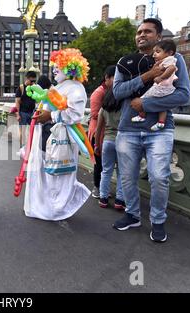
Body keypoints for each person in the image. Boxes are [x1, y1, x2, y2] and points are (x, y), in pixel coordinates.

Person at [112, 18, 190, 243]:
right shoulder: (125, 62)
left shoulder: (175, 59)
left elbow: (183, 94)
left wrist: (145, 105)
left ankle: (157, 221)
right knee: (127, 178)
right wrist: (146, 76)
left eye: (147, 31)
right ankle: (132, 215)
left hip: (160, 130)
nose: (141, 35)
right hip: (127, 129)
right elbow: (117, 92)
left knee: (159, 177)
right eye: (139, 32)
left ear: (158, 36)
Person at [26, 48, 91, 221]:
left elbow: (75, 115)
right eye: (54, 65)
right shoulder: (59, 86)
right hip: (48, 135)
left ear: (70, 68)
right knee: (47, 172)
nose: (54, 69)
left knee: (58, 175)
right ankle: (47, 205)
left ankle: (57, 208)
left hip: (62, 138)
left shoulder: (76, 88)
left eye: (58, 66)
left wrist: (50, 115)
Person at [133, 40, 179, 132]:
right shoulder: (169, 60)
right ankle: (161, 123)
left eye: (157, 52)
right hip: (166, 88)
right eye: (154, 52)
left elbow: (172, 68)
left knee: (142, 99)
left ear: (169, 53)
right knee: (162, 106)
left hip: (161, 86)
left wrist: (160, 78)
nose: (154, 55)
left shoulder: (169, 60)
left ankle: (142, 116)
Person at [95, 85, 125, 210]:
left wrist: (97, 144)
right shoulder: (124, 108)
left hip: (107, 141)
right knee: (121, 172)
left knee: (106, 171)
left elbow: (98, 130)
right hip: (122, 141)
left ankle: (103, 198)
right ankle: (119, 200)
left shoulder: (103, 109)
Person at [88, 66, 116, 199]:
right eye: (115, 77)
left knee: (106, 164)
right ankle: (97, 188)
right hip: (98, 132)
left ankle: (103, 190)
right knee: (99, 163)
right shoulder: (99, 92)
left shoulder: (112, 91)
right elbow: (94, 114)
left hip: (108, 132)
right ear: (107, 78)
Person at [15, 71, 37, 147]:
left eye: (34, 81)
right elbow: (17, 102)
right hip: (23, 113)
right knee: (22, 132)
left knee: (33, 131)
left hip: (32, 113)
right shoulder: (21, 88)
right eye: (31, 81)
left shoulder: (34, 88)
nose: (33, 82)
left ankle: (30, 147)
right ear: (27, 79)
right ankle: (22, 147)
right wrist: (17, 114)